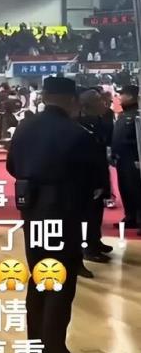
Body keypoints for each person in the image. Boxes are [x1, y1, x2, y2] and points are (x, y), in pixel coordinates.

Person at [7, 77, 99, 353]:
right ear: (72, 101)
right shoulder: (78, 134)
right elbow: (95, 180)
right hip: (63, 213)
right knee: (60, 285)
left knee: (39, 281)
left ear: (45, 96)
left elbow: (11, 166)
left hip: (32, 212)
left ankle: (39, 351)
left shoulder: (24, 127)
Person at [78, 89, 113, 267]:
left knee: (97, 211)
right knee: (88, 214)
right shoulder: (81, 124)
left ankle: (95, 241)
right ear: (87, 106)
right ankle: (88, 248)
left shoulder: (99, 120)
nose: (103, 103)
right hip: (88, 176)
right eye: (98, 100)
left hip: (100, 171)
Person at [111, 85, 141, 232]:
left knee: (137, 189)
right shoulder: (123, 115)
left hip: (134, 159)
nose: (119, 98)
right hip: (122, 159)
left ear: (130, 96)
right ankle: (130, 217)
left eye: (121, 95)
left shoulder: (137, 116)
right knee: (125, 188)